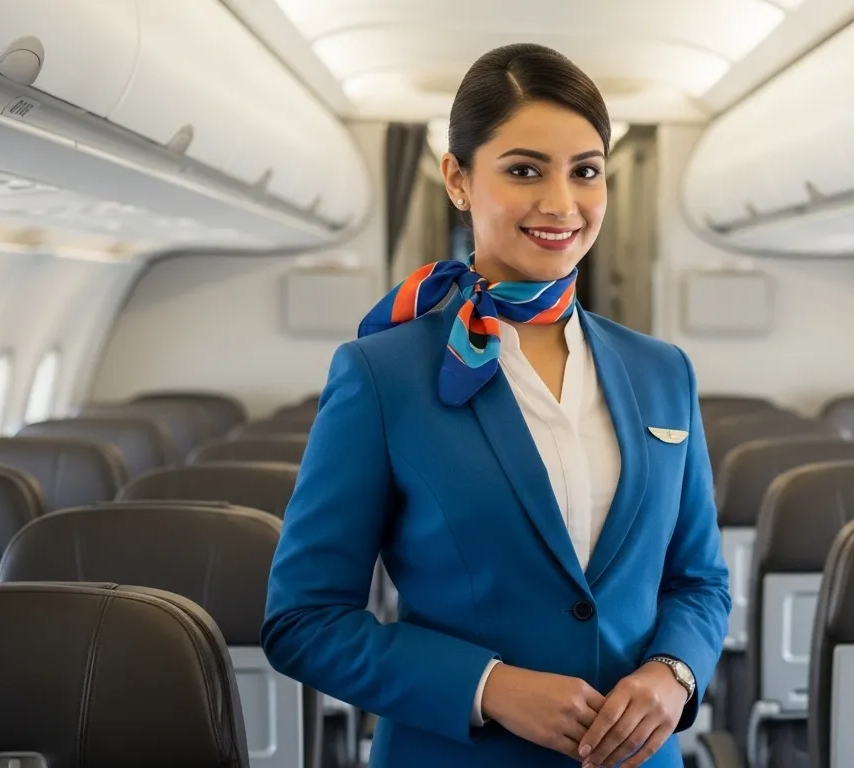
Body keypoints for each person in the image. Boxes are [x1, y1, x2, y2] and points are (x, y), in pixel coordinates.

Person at [261, 43, 731, 767]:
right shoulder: (381, 374)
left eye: (585, 172)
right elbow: (304, 620)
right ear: (458, 179)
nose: (561, 204)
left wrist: (674, 672)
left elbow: (698, 580)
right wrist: (489, 687)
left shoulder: (662, 371)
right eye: (523, 170)